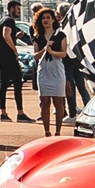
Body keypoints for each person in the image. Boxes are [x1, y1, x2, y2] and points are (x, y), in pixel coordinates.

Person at [33, 8, 68, 137]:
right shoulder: (37, 37)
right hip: (44, 70)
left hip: (57, 70)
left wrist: (52, 52)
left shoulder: (61, 35)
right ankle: (47, 131)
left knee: (58, 102)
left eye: (48, 17)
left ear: (53, 20)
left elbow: (63, 53)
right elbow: (36, 56)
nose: (45, 20)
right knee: (44, 102)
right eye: (43, 18)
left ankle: (58, 131)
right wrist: (45, 48)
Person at [0, 1, 32, 122]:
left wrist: (15, 37)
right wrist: (15, 50)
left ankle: (3, 112)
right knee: (17, 83)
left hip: (0, 54)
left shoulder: (1, 21)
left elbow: (6, 36)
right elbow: (6, 35)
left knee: (4, 83)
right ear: (11, 9)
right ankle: (20, 113)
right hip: (8, 55)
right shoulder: (9, 21)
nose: (19, 11)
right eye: (18, 9)